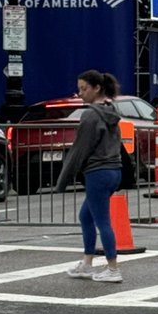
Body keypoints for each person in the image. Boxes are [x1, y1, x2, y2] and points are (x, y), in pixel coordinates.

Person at [55, 70, 124, 283]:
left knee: (102, 221)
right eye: (80, 88)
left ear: (97, 88)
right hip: (114, 170)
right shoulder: (111, 111)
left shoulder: (91, 115)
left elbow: (79, 149)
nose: (80, 93)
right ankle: (87, 263)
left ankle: (113, 268)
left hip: (98, 171)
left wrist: (63, 179)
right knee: (86, 216)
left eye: (84, 88)